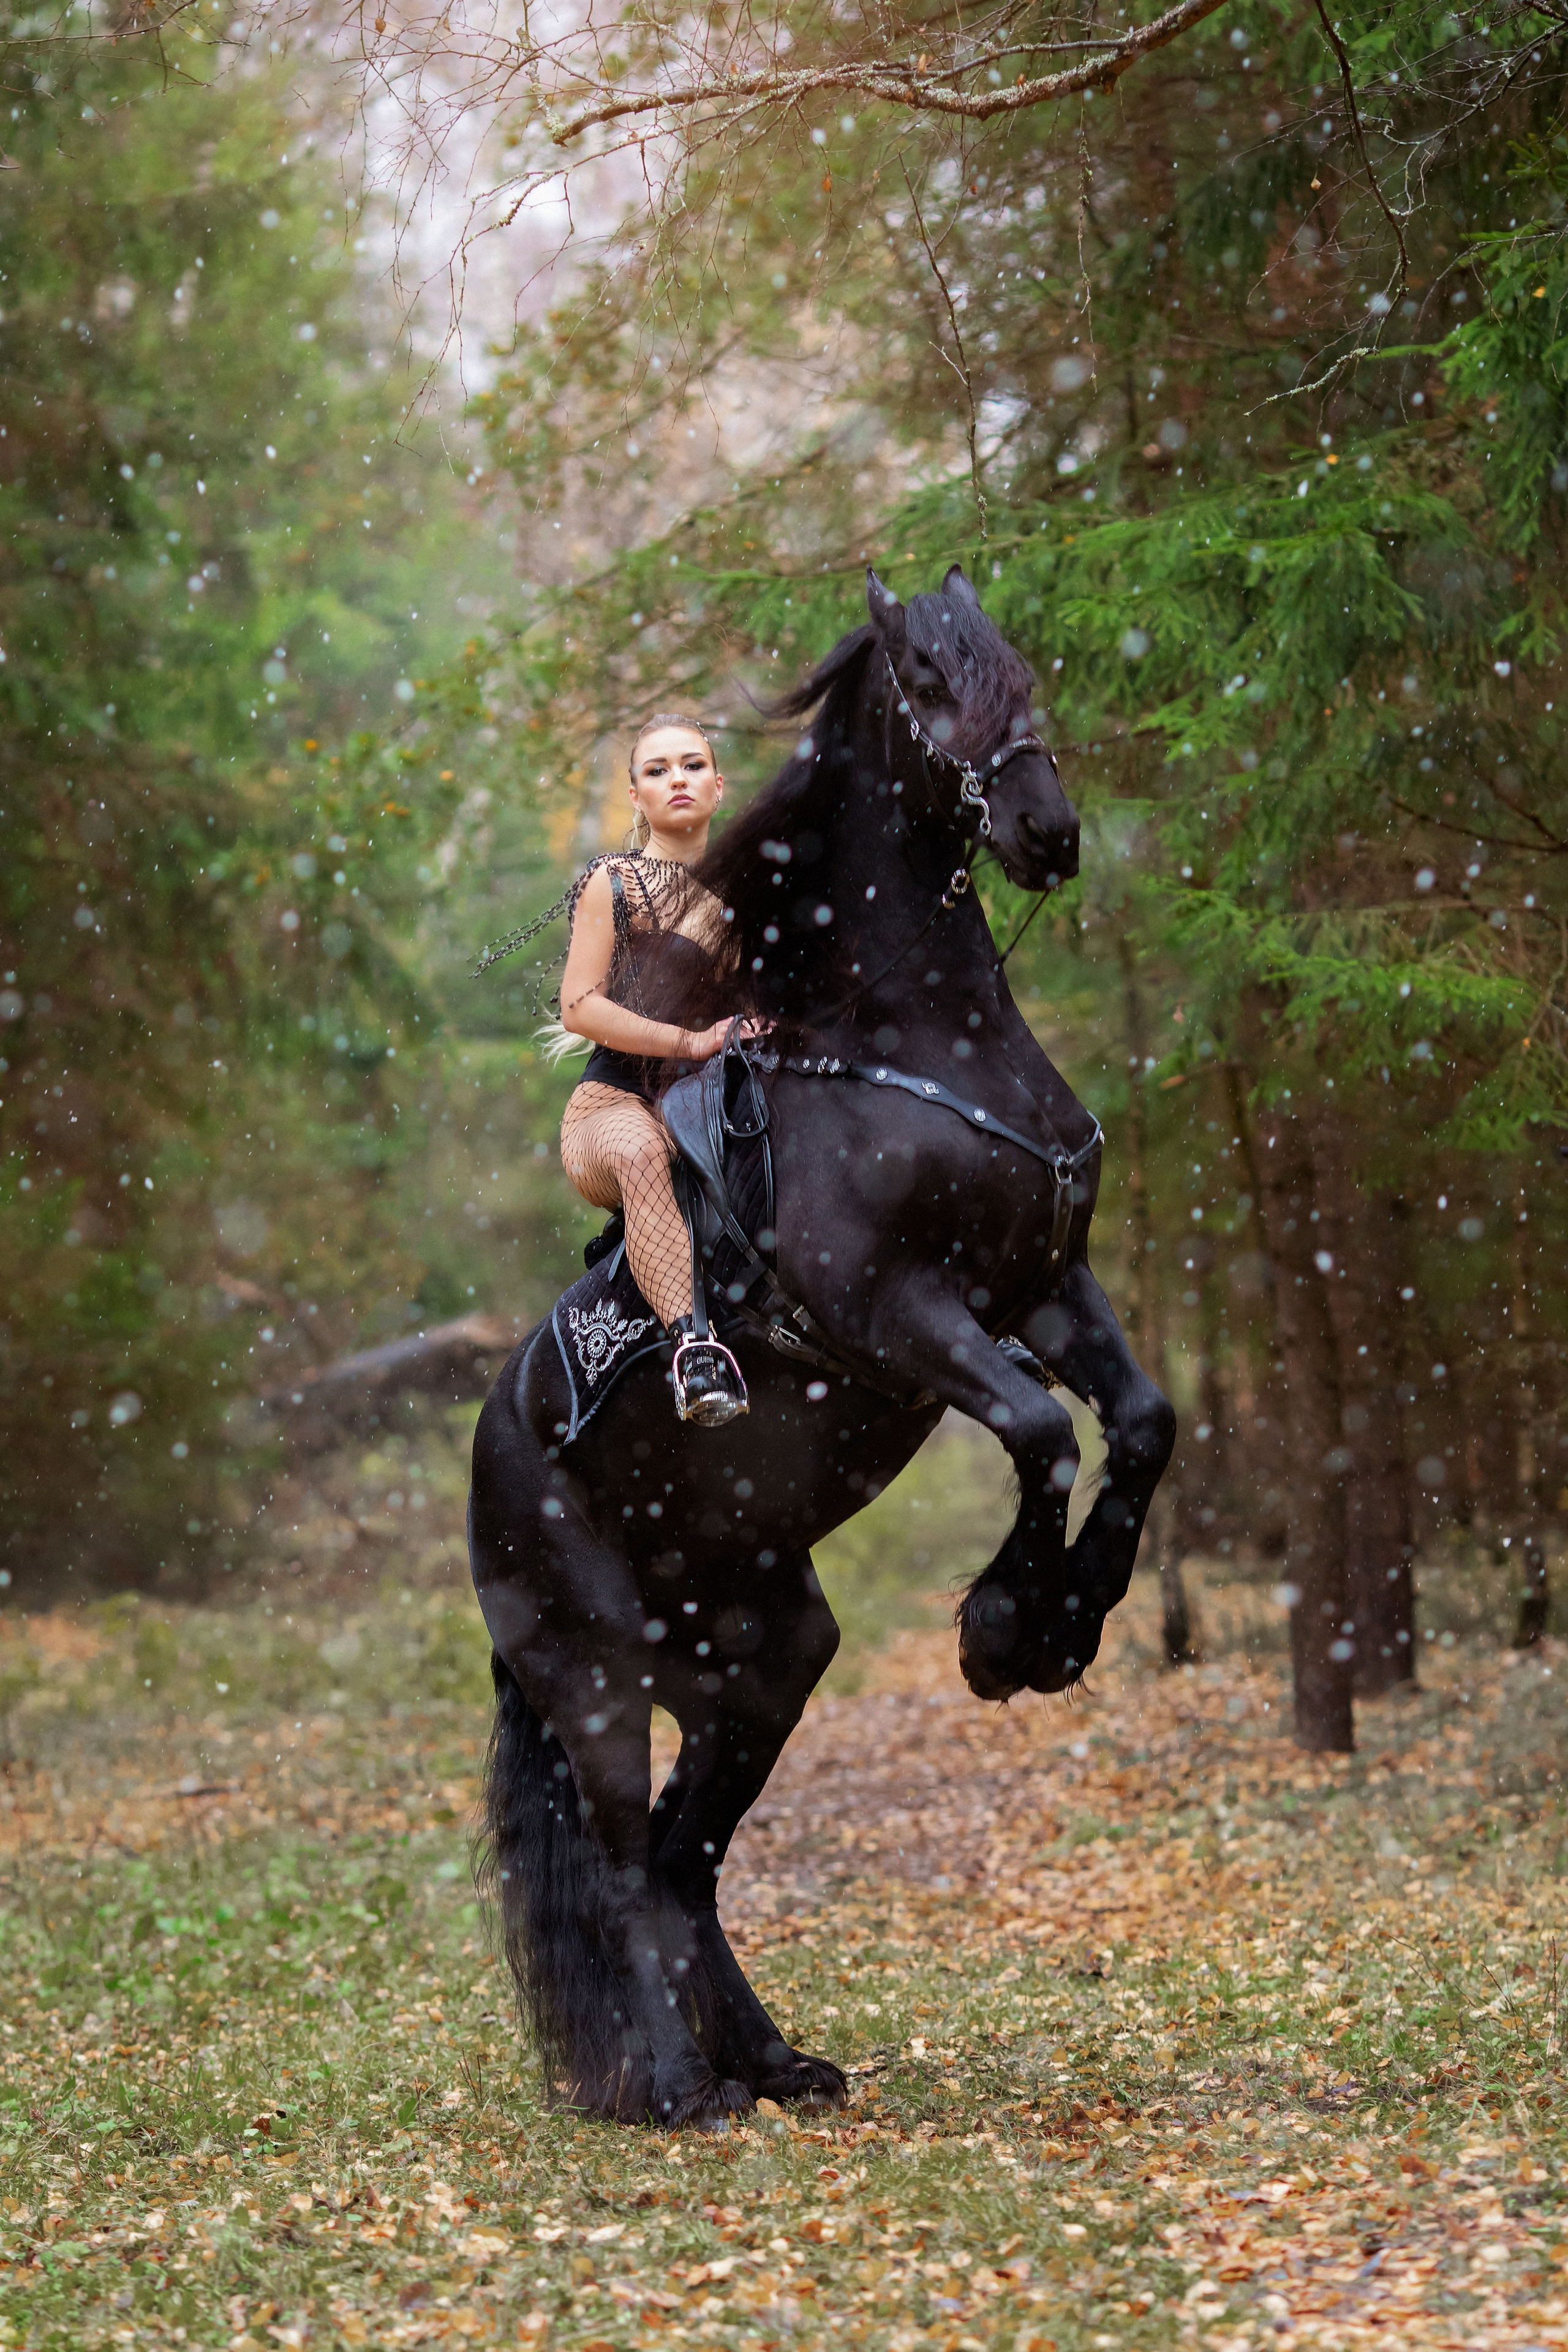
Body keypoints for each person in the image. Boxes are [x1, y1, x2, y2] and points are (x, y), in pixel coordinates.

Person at [554, 714, 752, 1427]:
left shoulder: (750, 901)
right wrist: (690, 1041)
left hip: (718, 1116)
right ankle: (694, 1354)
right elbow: (579, 1006)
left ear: (718, 786)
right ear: (635, 796)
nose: (677, 779)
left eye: (693, 765)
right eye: (657, 770)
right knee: (643, 1149)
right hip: (610, 1112)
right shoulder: (617, 881)